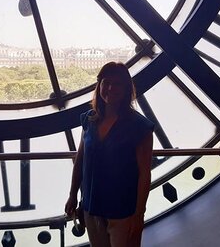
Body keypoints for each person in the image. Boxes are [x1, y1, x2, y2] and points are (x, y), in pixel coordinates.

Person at [65, 62, 155, 247]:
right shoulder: (140, 127)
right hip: (121, 210)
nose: (111, 88)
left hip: (93, 207)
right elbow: (144, 174)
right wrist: (138, 215)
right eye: (107, 83)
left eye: (117, 84)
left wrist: (73, 195)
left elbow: (80, 161)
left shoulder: (89, 120)